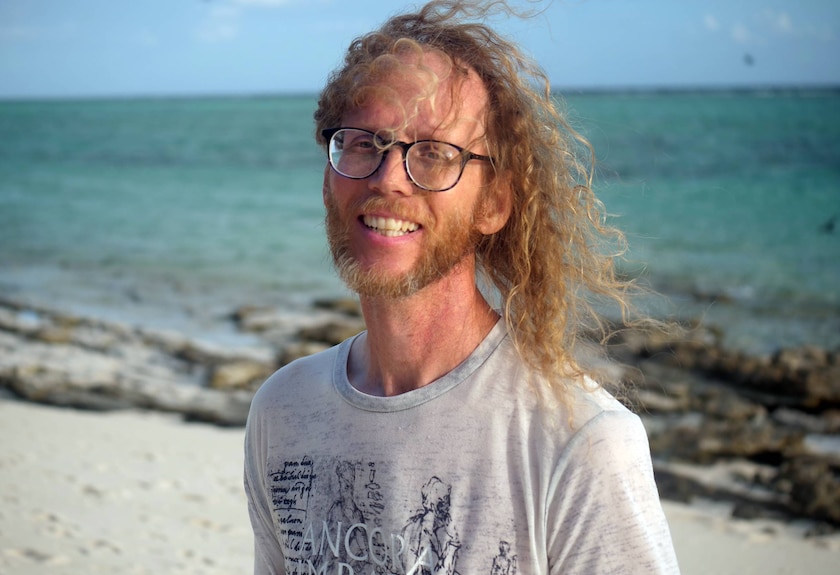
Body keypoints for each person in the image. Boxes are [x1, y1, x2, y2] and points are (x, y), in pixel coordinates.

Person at [244, 1, 680, 573]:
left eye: (434, 154)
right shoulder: (284, 411)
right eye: (363, 143)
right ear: (330, 172)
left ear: (495, 203)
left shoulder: (580, 441)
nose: (388, 179)